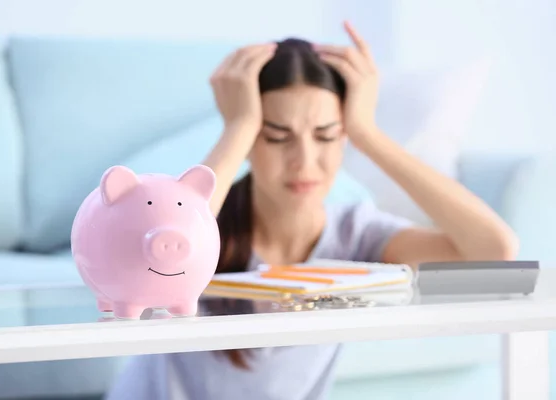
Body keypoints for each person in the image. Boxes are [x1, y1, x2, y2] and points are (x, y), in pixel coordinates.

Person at [105, 21, 518, 400]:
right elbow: (152, 255)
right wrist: (238, 126)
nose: (304, 161)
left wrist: (367, 132)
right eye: (276, 136)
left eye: (326, 136)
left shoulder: (357, 234)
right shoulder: (205, 225)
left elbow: (494, 251)